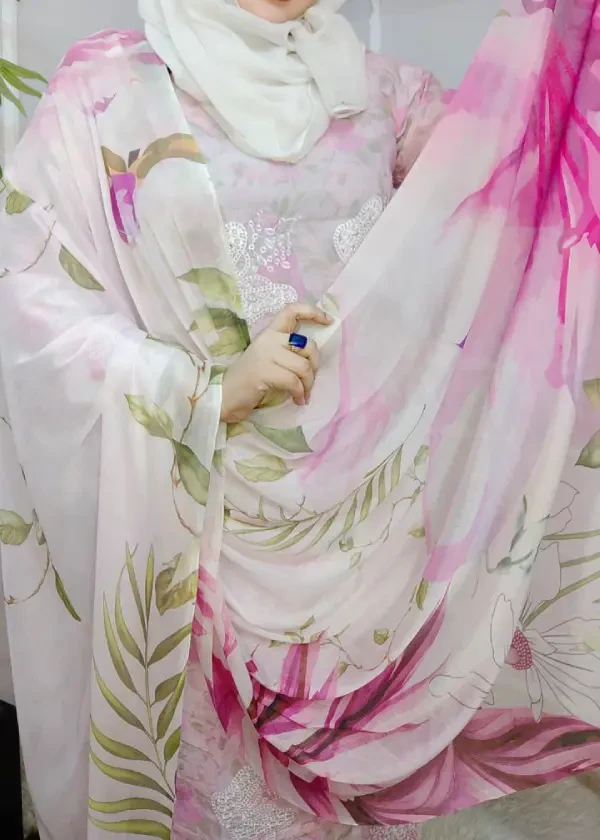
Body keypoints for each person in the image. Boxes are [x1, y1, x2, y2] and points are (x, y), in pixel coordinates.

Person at [1, 2, 600, 839]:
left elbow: (511, 192)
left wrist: (569, 37)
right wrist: (203, 392)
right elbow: (31, 303)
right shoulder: (108, 91)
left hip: (364, 542)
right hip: (195, 534)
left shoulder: (383, 94)